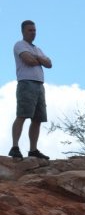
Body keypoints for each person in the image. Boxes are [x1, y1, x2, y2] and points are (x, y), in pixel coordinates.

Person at [10, 19, 51, 159]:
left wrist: (37, 57)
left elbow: (49, 63)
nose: (33, 33)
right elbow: (30, 61)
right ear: (23, 31)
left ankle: (33, 150)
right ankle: (15, 147)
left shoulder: (37, 49)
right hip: (26, 83)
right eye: (30, 30)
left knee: (37, 119)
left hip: (39, 85)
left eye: (34, 30)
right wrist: (40, 59)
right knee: (22, 115)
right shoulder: (19, 45)